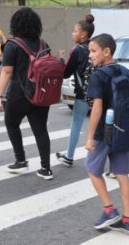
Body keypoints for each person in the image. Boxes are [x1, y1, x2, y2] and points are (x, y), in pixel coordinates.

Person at [85, 33, 129, 235]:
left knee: (92, 170)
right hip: (123, 131)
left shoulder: (99, 75)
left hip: (104, 132)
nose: (90, 55)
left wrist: (90, 137)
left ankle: (109, 210)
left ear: (107, 52)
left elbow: (97, 106)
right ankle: (128, 220)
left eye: (93, 51)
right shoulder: (124, 70)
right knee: (122, 174)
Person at [0, 7, 53, 180]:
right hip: (41, 94)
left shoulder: (12, 45)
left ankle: (20, 159)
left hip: (19, 95)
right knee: (41, 130)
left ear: (16, 24)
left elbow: (6, 73)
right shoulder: (44, 44)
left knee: (11, 123)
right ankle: (46, 169)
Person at [55, 14, 95, 167]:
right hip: (99, 92)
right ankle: (114, 164)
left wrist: (61, 60)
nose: (73, 33)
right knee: (102, 126)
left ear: (83, 34)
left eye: (75, 31)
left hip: (83, 94)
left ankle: (69, 156)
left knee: (76, 124)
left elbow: (65, 72)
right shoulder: (94, 46)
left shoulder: (77, 50)